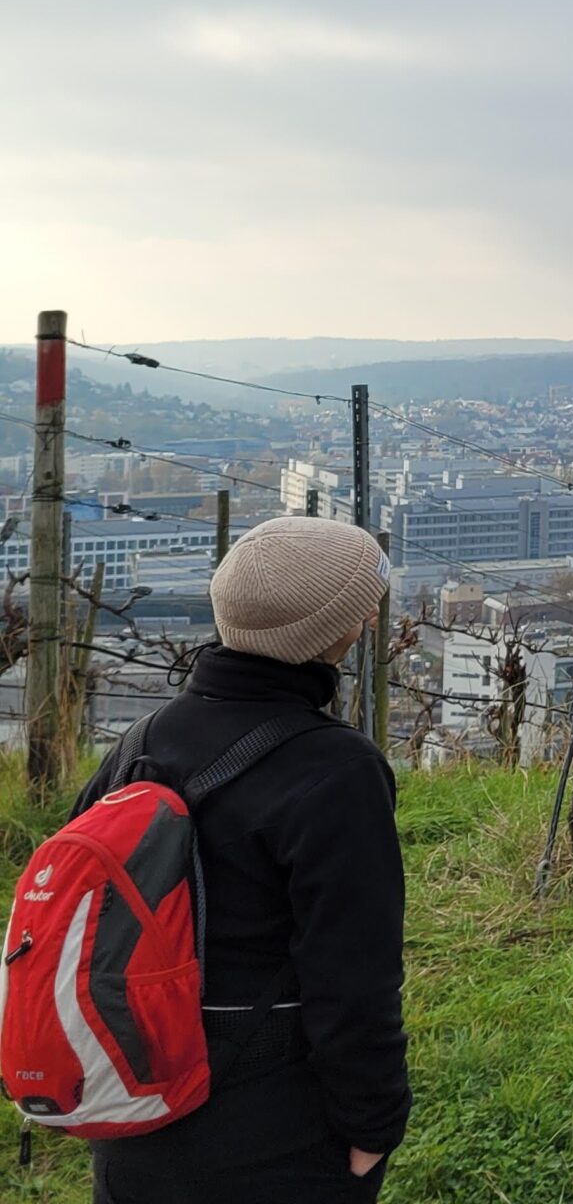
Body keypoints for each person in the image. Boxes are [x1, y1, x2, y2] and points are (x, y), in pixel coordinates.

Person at [79, 516, 410, 1204]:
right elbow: (353, 979)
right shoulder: (336, 770)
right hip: (270, 1131)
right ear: (336, 633)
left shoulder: (142, 741)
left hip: (132, 1112)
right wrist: (372, 1129)